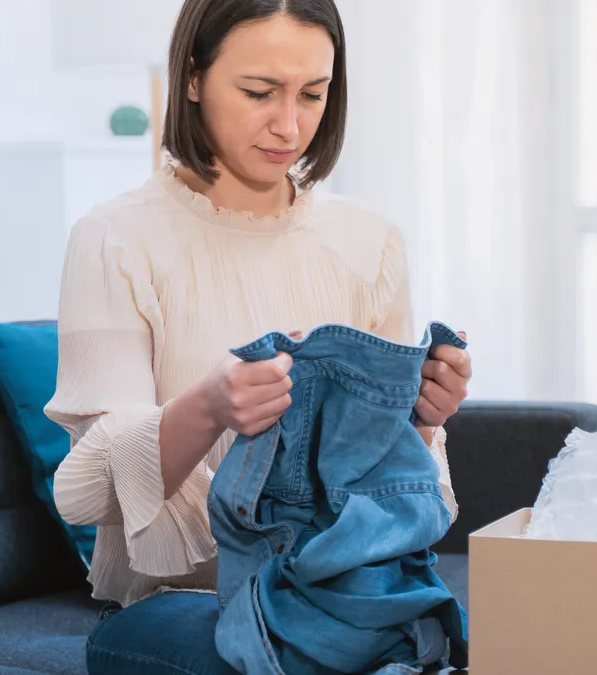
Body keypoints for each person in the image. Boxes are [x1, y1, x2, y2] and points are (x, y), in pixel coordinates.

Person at [42, 0, 472, 672]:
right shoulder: (115, 240)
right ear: (192, 77)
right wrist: (209, 404)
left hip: (333, 593)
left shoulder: (371, 243)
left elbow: (401, 503)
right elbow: (85, 493)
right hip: (186, 603)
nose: (290, 125)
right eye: (259, 92)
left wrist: (418, 422)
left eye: (314, 94)